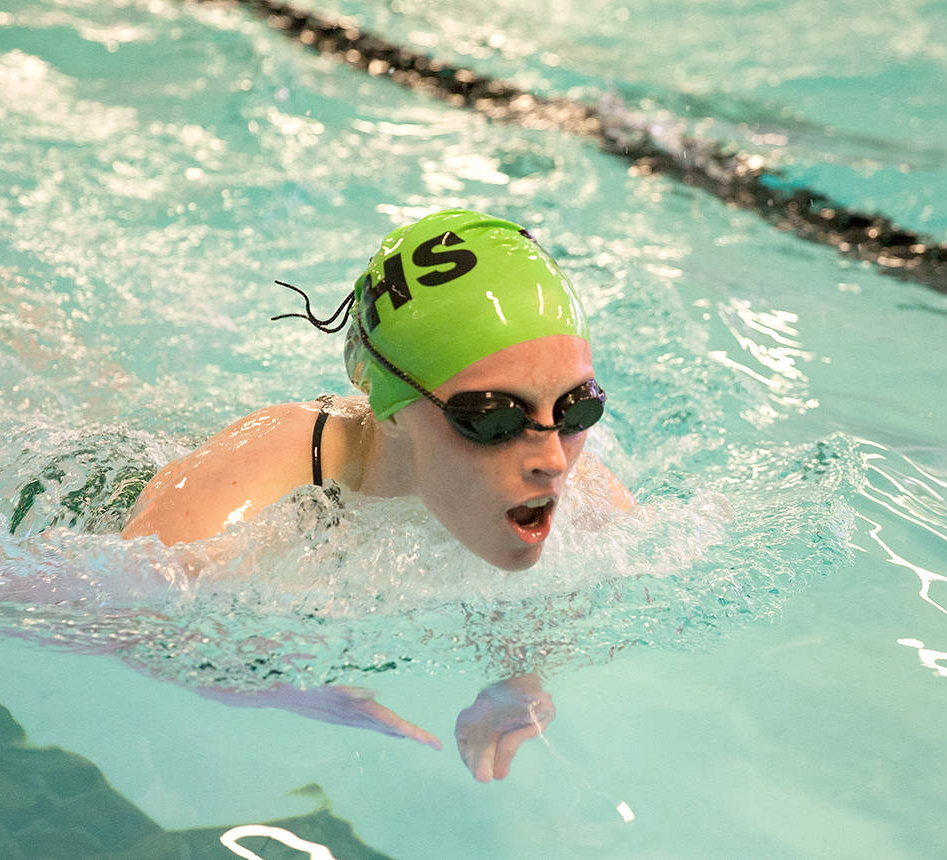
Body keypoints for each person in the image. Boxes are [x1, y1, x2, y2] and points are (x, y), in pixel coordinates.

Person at [122, 209, 634, 780]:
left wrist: (522, 675)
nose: (552, 461)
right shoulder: (242, 494)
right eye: (492, 420)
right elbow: (104, 613)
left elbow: (553, 600)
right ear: (390, 409)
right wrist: (274, 684)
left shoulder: (585, 491)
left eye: (575, 409)